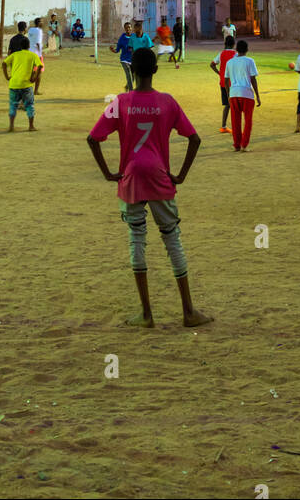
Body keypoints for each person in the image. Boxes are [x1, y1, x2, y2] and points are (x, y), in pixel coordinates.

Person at [86, 46, 211, 330]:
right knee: (171, 238)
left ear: (132, 71)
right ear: (156, 70)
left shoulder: (122, 101)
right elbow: (194, 139)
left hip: (130, 177)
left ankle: (146, 313)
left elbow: (93, 138)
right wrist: (180, 176)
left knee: (136, 238)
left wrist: (108, 173)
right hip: (158, 175)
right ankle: (188, 311)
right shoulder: (167, 102)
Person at [224, 38, 260, 152]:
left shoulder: (230, 62)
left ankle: (237, 145)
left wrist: (228, 94)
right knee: (248, 121)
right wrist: (258, 95)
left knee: (235, 121)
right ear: (247, 50)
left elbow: (226, 81)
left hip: (234, 94)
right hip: (247, 94)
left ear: (236, 49)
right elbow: (253, 79)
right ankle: (244, 145)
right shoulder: (250, 61)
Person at [2, 38, 42, 132]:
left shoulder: (15, 54)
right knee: (29, 106)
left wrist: (7, 77)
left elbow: (4, 63)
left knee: (13, 106)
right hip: (26, 85)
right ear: (29, 46)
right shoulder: (33, 55)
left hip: (14, 84)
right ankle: (31, 126)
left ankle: (11, 126)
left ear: (20, 46)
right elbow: (40, 66)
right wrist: (34, 78)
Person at [209, 34, 237, 134]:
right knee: (234, 105)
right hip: (233, 84)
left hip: (223, 83)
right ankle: (235, 127)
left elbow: (212, 64)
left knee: (227, 105)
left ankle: (224, 126)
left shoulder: (221, 54)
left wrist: (219, 73)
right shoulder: (236, 54)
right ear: (234, 44)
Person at [110, 21, 134, 91]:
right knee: (129, 74)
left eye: (129, 27)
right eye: (126, 28)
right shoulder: (122, 38)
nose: (128, 29)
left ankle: (127, 87)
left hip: (132, 60)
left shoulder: (134, 37)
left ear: (131, 28)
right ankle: (131, 93)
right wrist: (112, 50)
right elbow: (117, 50)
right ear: (124, 29)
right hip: (124, 60)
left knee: (133, 77)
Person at [27, 18, 45, 94]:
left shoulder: (30, 30)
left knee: (31, 72)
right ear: (39, 23)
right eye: (42, 22)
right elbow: (38, 43)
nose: (43, 23)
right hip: (36, 53)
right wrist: (40, 54)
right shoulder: (39, 31)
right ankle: (35, 90)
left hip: (29, 52)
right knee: (39, 72)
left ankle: (27, 89)